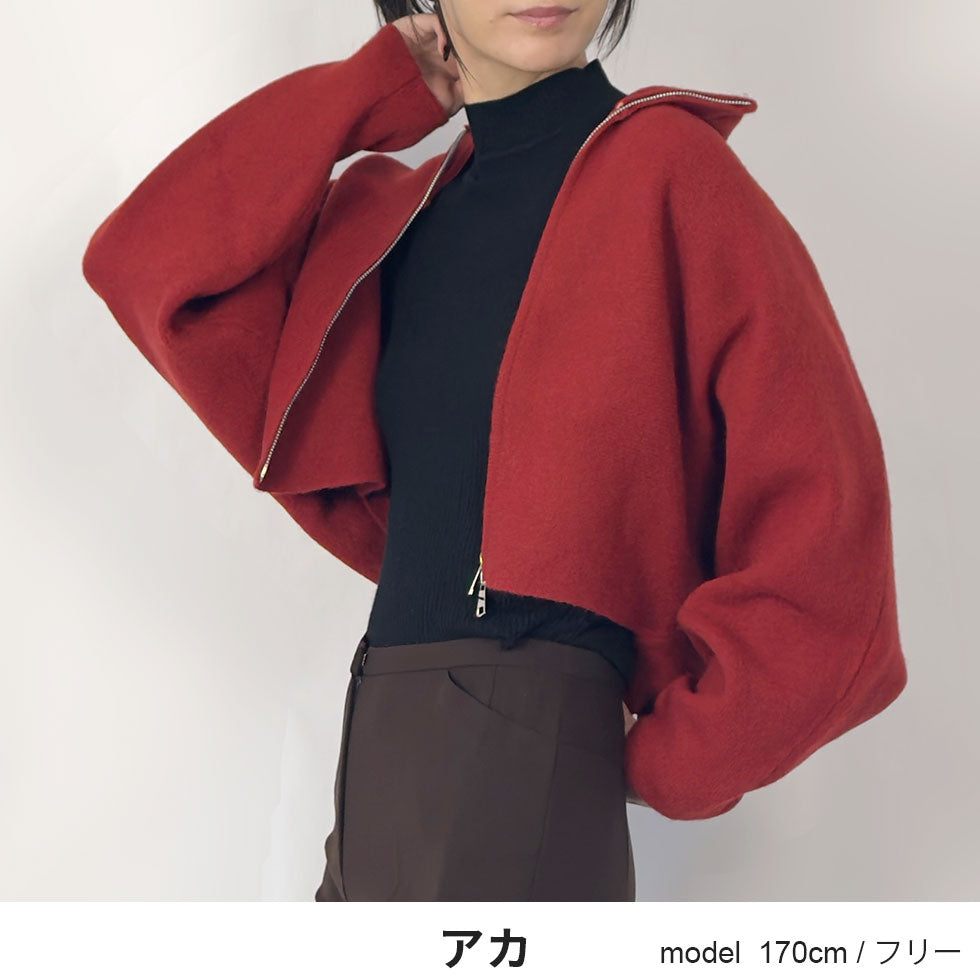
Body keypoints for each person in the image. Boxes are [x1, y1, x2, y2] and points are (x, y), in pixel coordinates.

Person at [81, 0, 908, 902]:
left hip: (520, 753)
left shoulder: (671, 171)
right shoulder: (398, 214)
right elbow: (146, 264)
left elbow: (830, 555)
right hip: (379, 743)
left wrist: (668, 761)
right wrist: (371, 91)